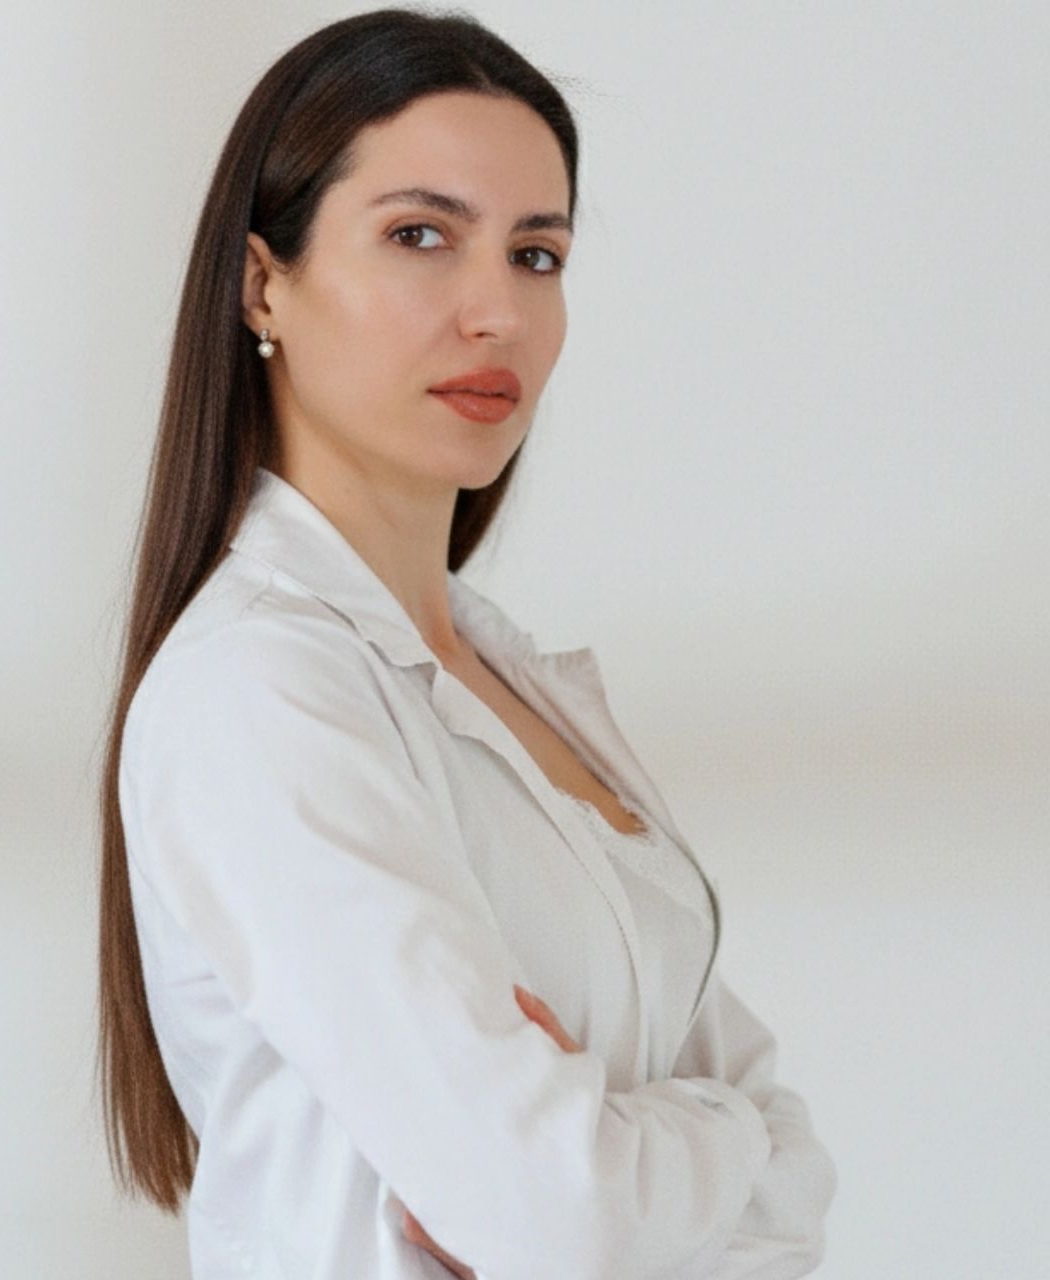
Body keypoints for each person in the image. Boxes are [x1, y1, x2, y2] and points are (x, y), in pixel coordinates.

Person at [96, 8, 838, 1278]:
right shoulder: (258, 688)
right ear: (263, 283)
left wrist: (648, 1145)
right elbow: (556, 1210)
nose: (496, 310)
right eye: (420, 236)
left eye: (535, 254)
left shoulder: (517, 685)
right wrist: (719, 1138)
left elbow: (796, 1188)